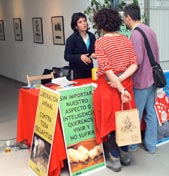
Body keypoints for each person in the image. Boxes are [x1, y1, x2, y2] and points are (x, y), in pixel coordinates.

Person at [93, 8, 138, 172]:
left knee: (111, 123)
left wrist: (117, 85)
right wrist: (122, 82)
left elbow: (106, 69)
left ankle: (115, 159)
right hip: (126, 84)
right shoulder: (126, 40)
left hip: (109, 87)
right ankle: (126, 156)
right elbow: (134, 64)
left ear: (100, 24)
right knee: (125, 119)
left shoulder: (100, 42)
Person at [123, 4, 159, 154]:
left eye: (124, 18)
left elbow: (137, 60)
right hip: (153, 78)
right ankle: (151, 145)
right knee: (150, 112)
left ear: (128, 17)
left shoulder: (136, 34)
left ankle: (132, 146)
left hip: (142, 80)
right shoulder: (150, 30)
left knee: (135, 113)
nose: (124, 21)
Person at [64, 12, 96, 80]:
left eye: (84, 21)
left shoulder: (92, 36)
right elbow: (67, 56)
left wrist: (94, 54)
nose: (84, 23)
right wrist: (80, 57)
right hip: (76, 73)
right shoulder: (71, 39)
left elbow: (94, 51)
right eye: (80, 22)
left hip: (89, 71)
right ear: (76, 26)